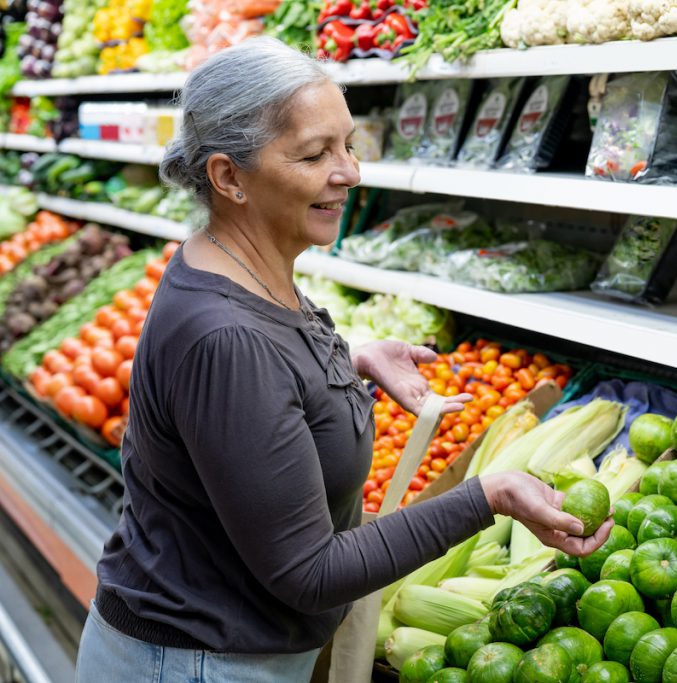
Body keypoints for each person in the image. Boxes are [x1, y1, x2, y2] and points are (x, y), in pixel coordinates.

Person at [74, 37, 612, 682]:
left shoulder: (241, 263)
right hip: (195, 663)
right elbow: (310, 572)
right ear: (228, 177)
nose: (350, 171)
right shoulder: (226, 337)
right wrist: (487, 495)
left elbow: (257, 374)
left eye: (349, 145)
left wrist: (348, 360)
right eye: (314, 154)